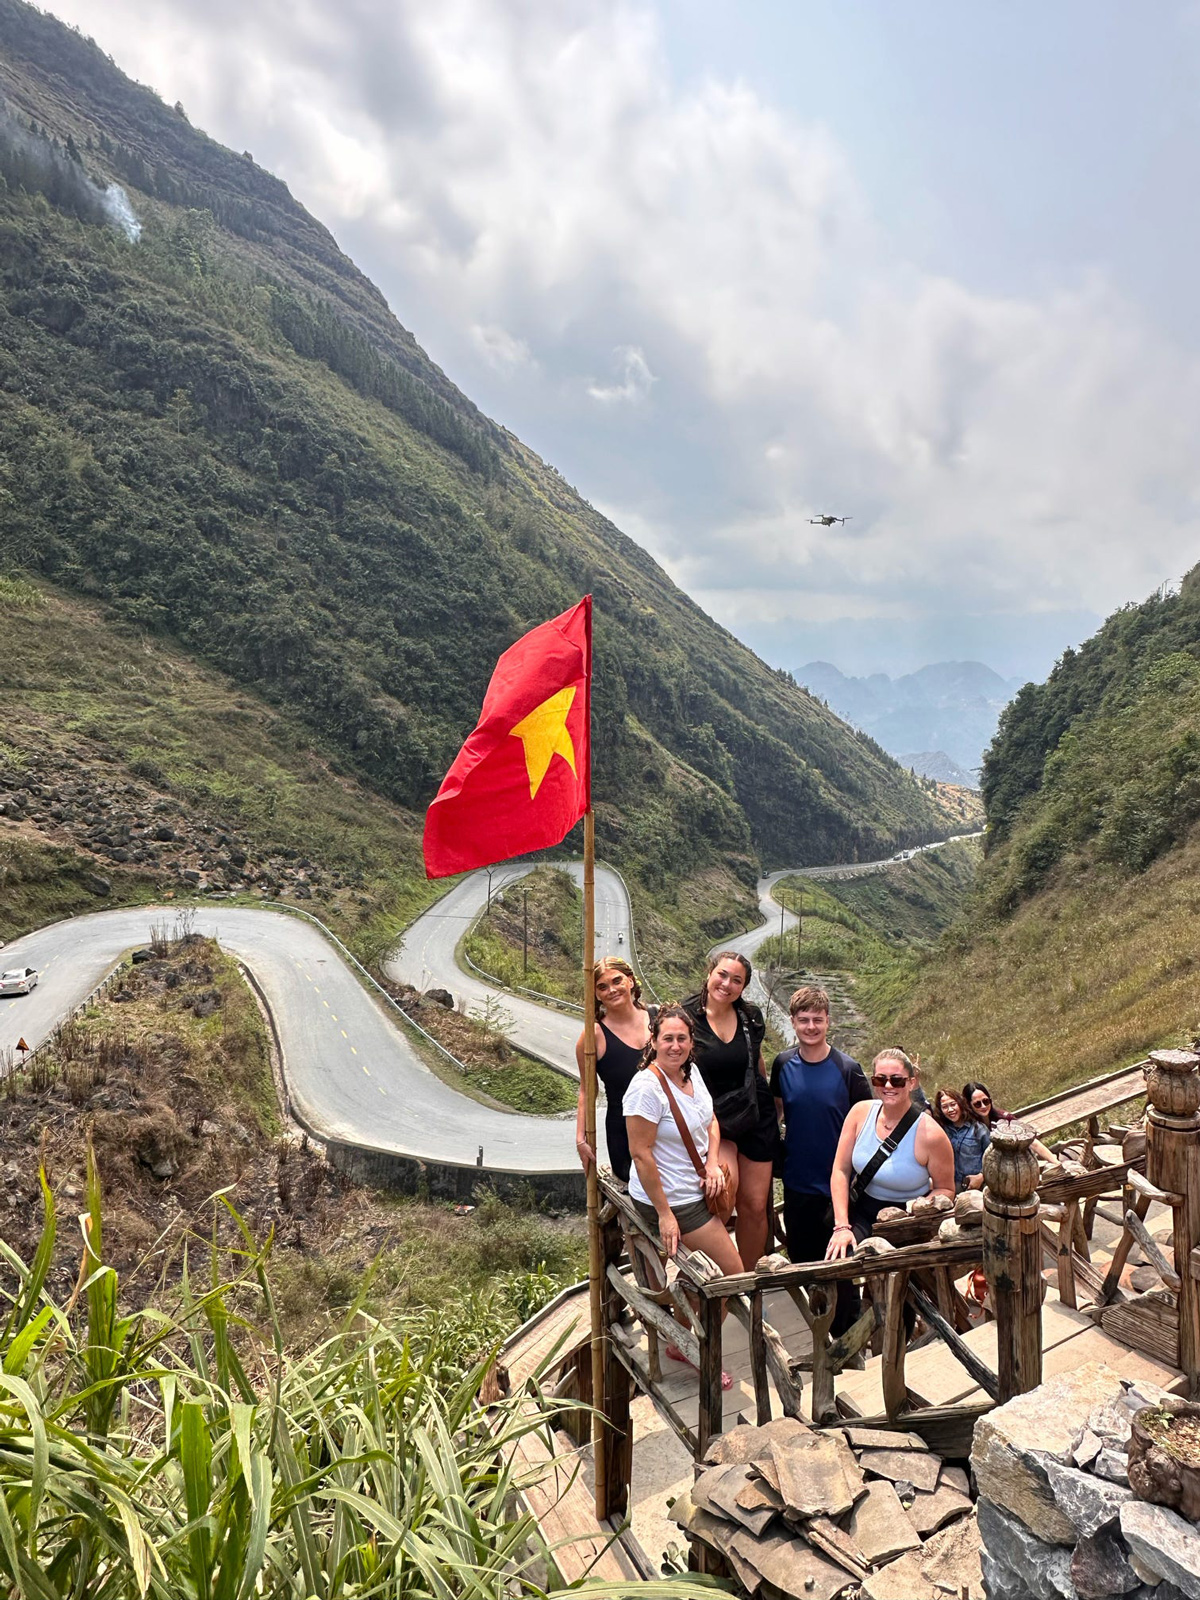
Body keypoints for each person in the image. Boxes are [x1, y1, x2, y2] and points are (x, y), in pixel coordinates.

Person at [623, 1006, 743, 1386]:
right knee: (732, 1275)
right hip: (671, 1197)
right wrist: (665, 1214)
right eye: (667, 1039)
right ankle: (690, 1344)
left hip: (695, 1184)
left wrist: (710, 1164)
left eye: (682, 1039)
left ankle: (682, 1330)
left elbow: (710, 1120)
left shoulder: (691, 1074)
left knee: (724, 1276)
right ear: (653, 1042)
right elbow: (640, 1153)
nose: (675, 1046)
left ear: (692, 1044)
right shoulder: (645, 1088)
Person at [770, 984, 871, 1334]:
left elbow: (867, 1121)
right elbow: (778, 1112)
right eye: (803, 1020)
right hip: (798, 1183)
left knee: (841, 1270)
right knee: (803, 1261)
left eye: (817, 1020)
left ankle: (847, 1340)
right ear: (793, 1022)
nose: (810, 1027)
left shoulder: (848, 1069)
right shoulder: (783, 1064)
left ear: (829, 1021)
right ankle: (819, 1332)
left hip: (839, 1187)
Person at [684, 951, 777, 1269]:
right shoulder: (685, 1017)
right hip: (713, 1121)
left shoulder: (750, 1017)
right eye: (722, 975)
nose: (727, 984)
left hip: (754, 1116)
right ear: (709, 973)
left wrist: (773, 1109)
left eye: (736, 980)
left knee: (753, 1206)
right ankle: (720, 1280)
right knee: (720, 1200)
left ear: (744, 987)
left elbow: (757, 1062)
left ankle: (751, 1284)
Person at [826, 1048, 955, 1255]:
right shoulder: (860, 1113)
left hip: (909, 1218)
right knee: (841, 1261)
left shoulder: (931, 1135)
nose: (888, 1086)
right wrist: (841, 1226)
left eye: (897, 1081)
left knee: (901, 1279)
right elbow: (841, 1170)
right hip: (863, 1209)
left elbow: (946, 1188)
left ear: (912, 1082)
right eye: (880, 1080)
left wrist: (922, 1207)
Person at [574, 958, 652, 1183]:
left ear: (630, 981)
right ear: (596, 995)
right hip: (624, 1132)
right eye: (602, 987)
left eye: (617, 981)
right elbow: (587, 1091)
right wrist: (581, 1138)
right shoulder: (593, 1036)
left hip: (666, 1127)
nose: (612, 990)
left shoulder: (657, 1019)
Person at [963, 1080, 1052, 1160]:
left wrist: (1055, 1162)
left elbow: (1031, 1141)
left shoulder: (1004, 1118)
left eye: (986, 1101)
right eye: (977, 1104)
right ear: (969, 1105)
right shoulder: (968, 1129)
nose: (983, 1106)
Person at [932, 1087, 990, 1191]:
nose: (950, 1110)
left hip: (978, 1186)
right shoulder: (941, 1131)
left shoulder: (978, 1129)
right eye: (945, 1107)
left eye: (953, 1104)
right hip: (952, 1187)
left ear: (960, 1103)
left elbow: (992, 1158)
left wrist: (981, 1176)